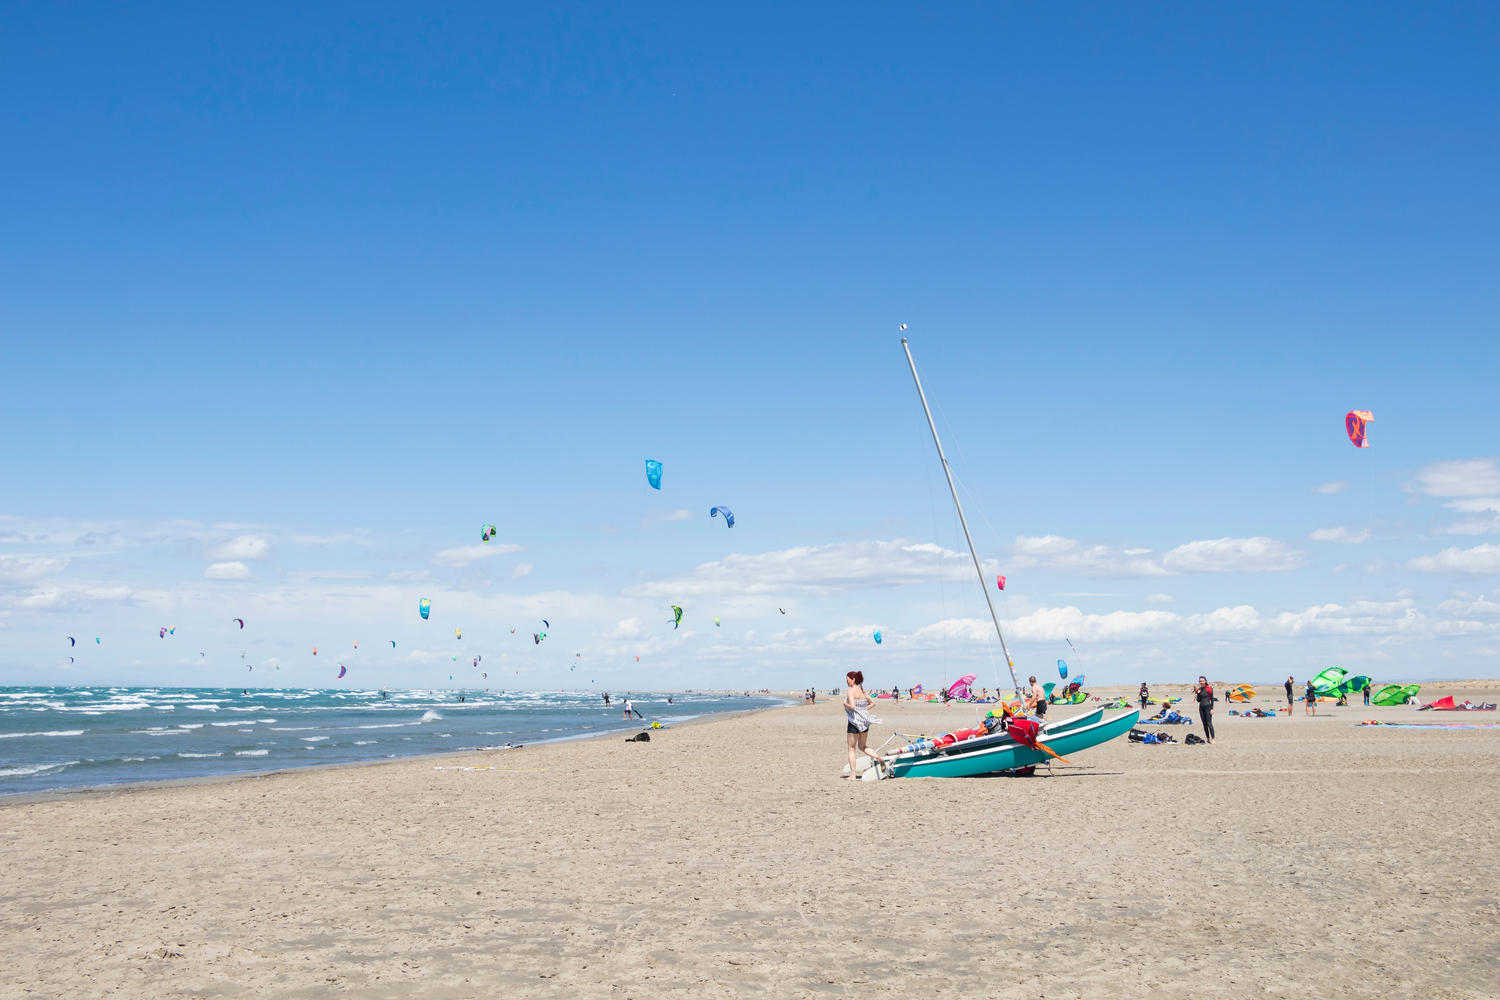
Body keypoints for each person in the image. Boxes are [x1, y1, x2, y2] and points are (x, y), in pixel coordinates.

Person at [843, 670, 883, 779]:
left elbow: (852, 706)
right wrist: (863, 710)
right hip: (865, 722)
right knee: (863, 746)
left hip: (854, 722)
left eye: (847, 680)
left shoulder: (851, 691)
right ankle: (878, 757)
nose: (846, 682)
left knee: (852, 749)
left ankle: (853, 776)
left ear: (853, 679)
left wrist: (844, 703)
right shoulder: (863, 691)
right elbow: (873, 703)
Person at [1193, 676, 1216, 744]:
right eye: (1200, 681)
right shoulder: (1199, 689)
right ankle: (1208, 739)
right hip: (1201, 707)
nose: (1201, 682)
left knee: (1209, 723)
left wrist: (1212, 709)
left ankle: (1213, 739)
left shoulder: (1209, 688)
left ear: (1205, 681)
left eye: (1202, 681)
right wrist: (1198, 693)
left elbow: (1212, 699)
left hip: (1207, 706)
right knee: (1204, 724)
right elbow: (1198, 700)